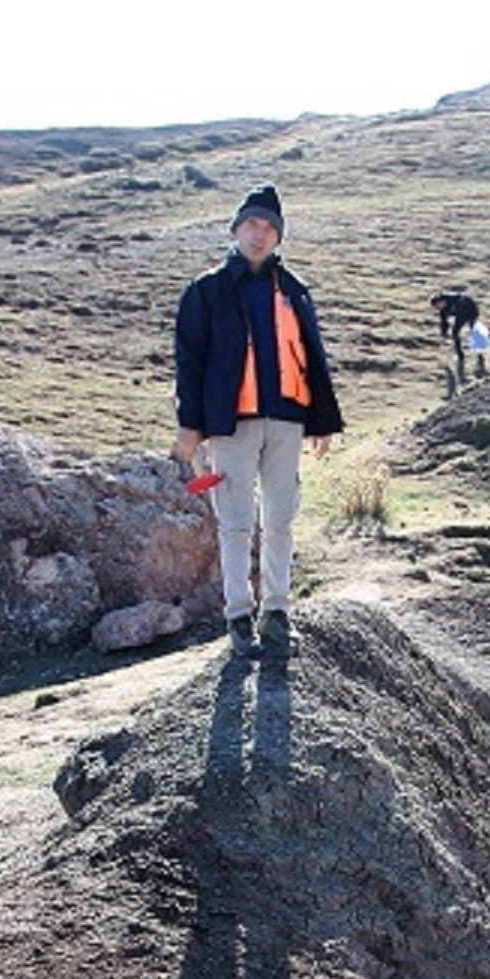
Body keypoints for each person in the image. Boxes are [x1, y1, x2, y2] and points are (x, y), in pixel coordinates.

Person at [173, 185, 345, 657]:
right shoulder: (205, 291)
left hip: (287, 422)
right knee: (234, 523)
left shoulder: (294, 291)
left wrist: (322, 421)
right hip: (231, 425)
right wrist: (190, 424)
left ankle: (277, 612)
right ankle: (237, 618)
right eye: (252, 224)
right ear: (236, 228)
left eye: (269, 227)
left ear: (278, 236)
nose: (259, 234)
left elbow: (312, 358)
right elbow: (189, 362)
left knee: (281, 521)